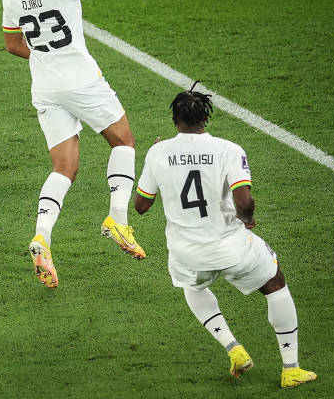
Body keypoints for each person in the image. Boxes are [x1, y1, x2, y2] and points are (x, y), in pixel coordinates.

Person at [133, 86, 317, 388]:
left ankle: (233, 348)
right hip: (230, 247)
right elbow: (244, 202)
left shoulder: (158, 152)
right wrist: (248, 220)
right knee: (274, 282)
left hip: (185, 252)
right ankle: (291, 369)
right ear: (205, 117)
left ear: (174, 120)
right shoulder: (229, 150)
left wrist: (155, 161)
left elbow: (141, 206)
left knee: (192, 286)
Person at [2, 0, 143, 288]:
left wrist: (45, 57)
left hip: (45, 88)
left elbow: (13, 44)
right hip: (81, 81)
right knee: (123, 141)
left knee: (64, 169)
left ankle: (41, 237)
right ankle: (118, 218)